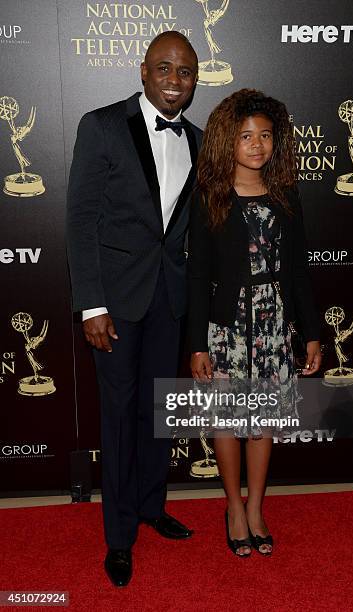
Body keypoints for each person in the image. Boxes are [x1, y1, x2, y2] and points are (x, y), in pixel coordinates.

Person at [66, 31, 202, 586]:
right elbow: (81, 221)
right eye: (165, 69)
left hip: (168, 300)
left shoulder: (196, 138)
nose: (175, 81)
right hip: (115, 306)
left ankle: (151, 506)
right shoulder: (101, 126)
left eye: (186, 72)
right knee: (120, 419)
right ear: (143, 70)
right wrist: (91, 305)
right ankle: (119, 537)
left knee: (157, 413)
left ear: (197, 79)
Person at [188, 89, 321, 557]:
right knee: (227, 422)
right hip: (226, 330)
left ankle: (258, 507)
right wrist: (197, 344)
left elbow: (299, 270)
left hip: (273, 326)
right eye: (247, 135)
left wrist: (312, 333)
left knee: (263, 421)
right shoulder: (211, 197)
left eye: (265, 135)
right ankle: (233, 507)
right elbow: (198, 275)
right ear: (228, 140)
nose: (257, 144)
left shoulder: (286, 196)